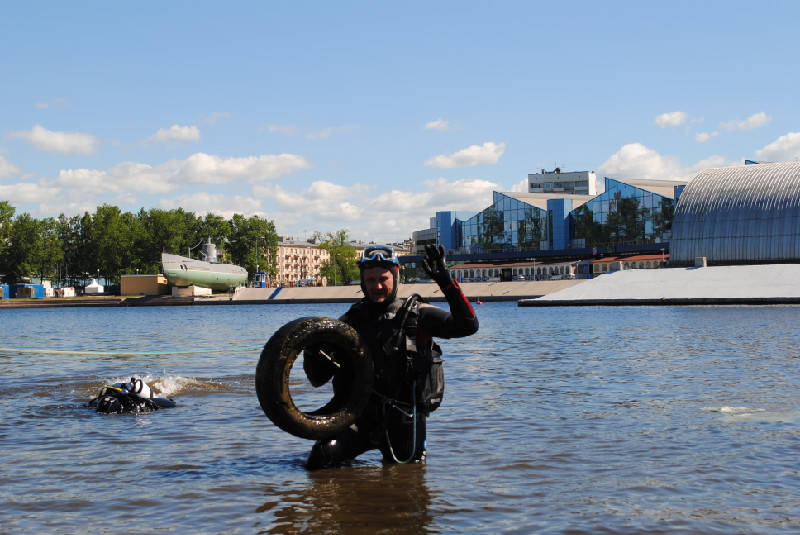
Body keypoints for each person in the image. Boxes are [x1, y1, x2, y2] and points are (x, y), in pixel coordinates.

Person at [304, 244, 479, 469]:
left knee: (409, 483)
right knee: (320, 459)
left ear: (396, 277)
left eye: (383, 278)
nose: (377, 286)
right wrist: (311, 349)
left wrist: (446, 281)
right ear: (362, 282)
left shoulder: (418, 315)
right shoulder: (349, 322)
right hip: (358, 418)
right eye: (370, 280)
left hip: (404, 420)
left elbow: (468, 326)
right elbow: (317, 379)